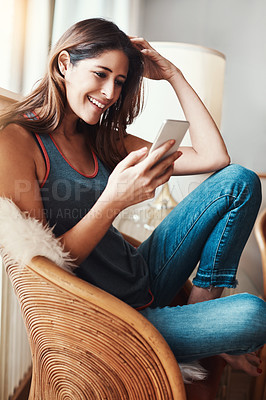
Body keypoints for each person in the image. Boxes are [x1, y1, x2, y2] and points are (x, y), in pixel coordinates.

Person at [0, 18, 265, 378]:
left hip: (143, 273)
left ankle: (199, 320)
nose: (109, 92)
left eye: (119, 81)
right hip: (110, 318)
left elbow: (214, 157)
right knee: (253, 314)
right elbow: (45, 268)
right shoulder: (17, 142)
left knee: (240, 181)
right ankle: (206, 335)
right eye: (100, 74)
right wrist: (114, 200)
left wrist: (173, 75)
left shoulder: (101, 138)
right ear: (64, 65)